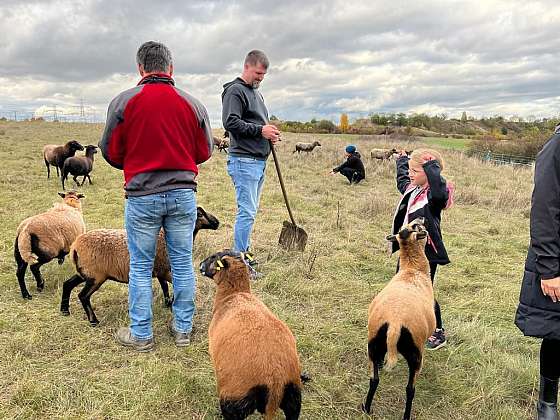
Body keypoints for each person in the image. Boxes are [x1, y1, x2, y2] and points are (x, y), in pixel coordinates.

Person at [99, 41, 213, 352]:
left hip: (142, 196)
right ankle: (183, 330)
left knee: (140, 265)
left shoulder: (123, 102)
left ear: (140, 68)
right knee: (181, 262)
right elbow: (204, 151)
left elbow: (109, 151)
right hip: (182, 195)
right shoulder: (193, 104)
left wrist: (136, 163)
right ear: (170, 68)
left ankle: (141, 334)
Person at [515, 126, 560, 420]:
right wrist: (550, 269)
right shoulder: (557, 146)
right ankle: (548, 402)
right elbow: (544, 208)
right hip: (558, 258)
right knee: (557, 332)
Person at [391, 148, 453, 350]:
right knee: (403, 287)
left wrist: (431, 166)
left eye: (415, 171)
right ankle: (406, 324)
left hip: (428, 254)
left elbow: (439, 191)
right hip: (408, 250)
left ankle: (437, 331)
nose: (410, 174)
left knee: (424, 291)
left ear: (429, 173)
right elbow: (402, 181)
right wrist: (402, 160)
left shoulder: (434, 198)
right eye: (410, 170)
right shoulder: (413, 189)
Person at [222, 50, 280, 259]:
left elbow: (257, 123)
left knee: (251, 211)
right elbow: (230, 122)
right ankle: (240, 260)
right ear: (247, 66)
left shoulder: (256, 93)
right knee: (247, 212)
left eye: (263, 75)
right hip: (244, 160)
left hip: (258, 161)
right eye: (257, 73)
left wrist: (269, 133)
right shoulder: (235, 91)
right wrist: (260, 131)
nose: (260, 78)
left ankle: (244, 254)